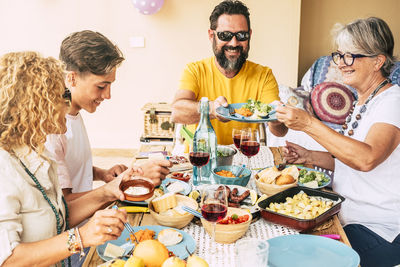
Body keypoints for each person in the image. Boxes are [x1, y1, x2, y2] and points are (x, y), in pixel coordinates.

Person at [276, 17, 400, 267]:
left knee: (300, 260)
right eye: (340, 55)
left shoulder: (393, 101)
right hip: (345, 216)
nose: (342, 64)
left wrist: (309, 123)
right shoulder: (363, 101)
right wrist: (308, 157)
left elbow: (366, 158)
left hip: (379, 229)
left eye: (351, 56)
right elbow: (349, 160)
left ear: (378, 61)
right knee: (282, 238)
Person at [0, 51, 132, 267]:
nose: (67, 102)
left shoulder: (39, 154)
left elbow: (58, 218)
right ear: (34, 106)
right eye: (60, 96)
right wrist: (80, 237)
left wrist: (109, 191)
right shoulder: (4, 168)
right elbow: (8, 259)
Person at [45, 30, 172, 203]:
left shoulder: (74, 113)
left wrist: (102, 174)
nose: (108, 95)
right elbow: (65, 203)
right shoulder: (53, 129)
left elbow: (69, 168)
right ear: (72, 79)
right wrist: (126, 182)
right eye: (101, 86)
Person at [171, 0, 287, 145]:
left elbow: (280, 132)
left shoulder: (264, 75)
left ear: (249, 35)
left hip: (245, 157)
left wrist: (277, 118)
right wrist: (212, 109)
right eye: (225, 35)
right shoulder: (195, 70)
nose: (233, 43)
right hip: (203, 158)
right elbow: (177, 112)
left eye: (241, 35)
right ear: (211, 35)